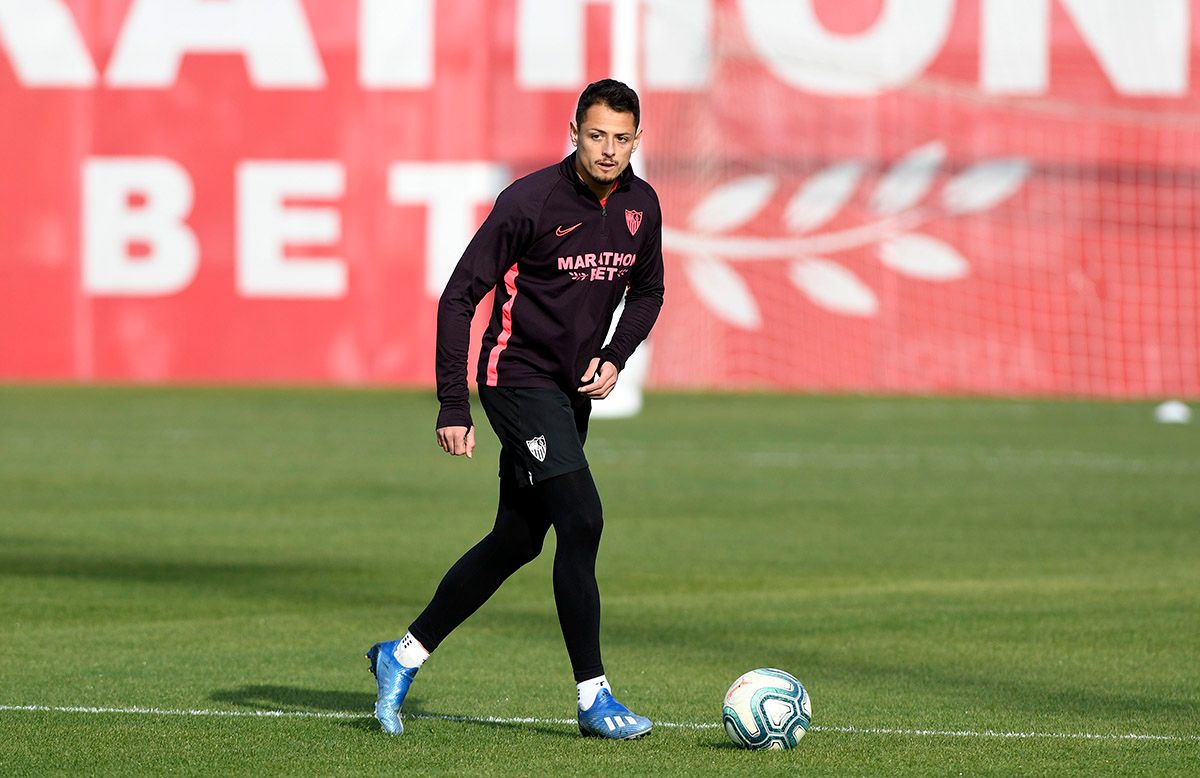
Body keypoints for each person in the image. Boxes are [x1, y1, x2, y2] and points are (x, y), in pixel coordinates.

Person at [366, 79, 665, 739]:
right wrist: (453, 403)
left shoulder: (642, 205)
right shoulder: (530, 202)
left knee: (519, 539)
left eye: (621, 138)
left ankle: (402, 654)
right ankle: (594, 699)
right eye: (596, 135)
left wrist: (614, 355)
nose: (609, 150)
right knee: (582, 519)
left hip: (568, 393)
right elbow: (458, 296)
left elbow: (648, 292)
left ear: (637, 140)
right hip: (515, 379)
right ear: (574, 131)